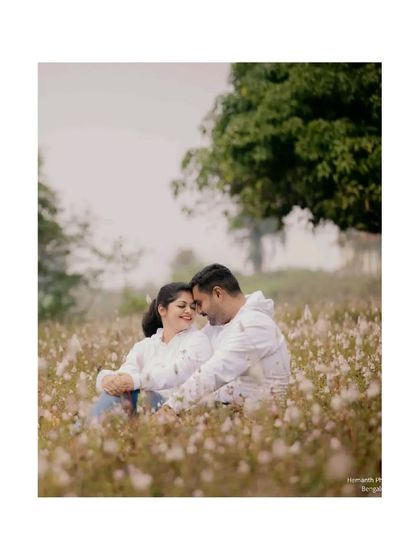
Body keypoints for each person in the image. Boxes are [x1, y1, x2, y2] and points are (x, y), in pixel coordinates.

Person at [157, 264, 290, 417]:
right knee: (141, 396)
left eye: (199, 304)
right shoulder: (220, 325)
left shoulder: (254, 324)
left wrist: (170, 408)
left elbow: (213, 372)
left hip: (252, 418)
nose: (199, 312)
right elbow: (188, 360)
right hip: (219, 409)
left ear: (218, 294)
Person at [90, 282, 213, 418]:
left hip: (175, 407)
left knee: (129, 392)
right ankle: (88, 430)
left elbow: (178, 373)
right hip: (144, 404)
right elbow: (126, 372)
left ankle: (83, 430)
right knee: (120, 391)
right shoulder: (146, 345)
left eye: (193, 306)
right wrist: (107, 378)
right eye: (181, 306)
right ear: (162, 310)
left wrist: (135, 382)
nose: (189, 311)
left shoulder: (198, 340)